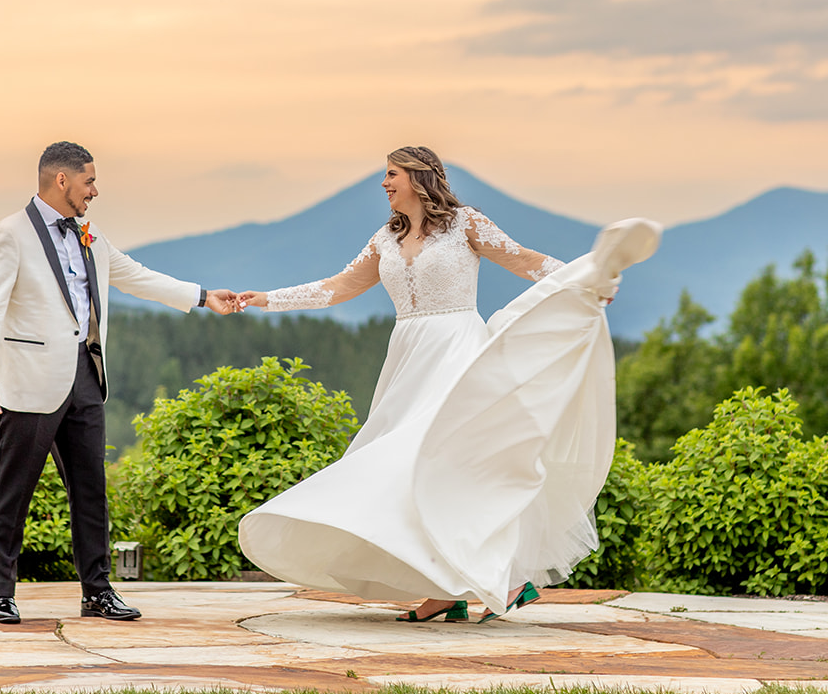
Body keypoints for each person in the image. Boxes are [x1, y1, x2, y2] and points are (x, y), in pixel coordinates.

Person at [235, 146, 659, 622]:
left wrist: (583, 282)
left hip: (458, 347)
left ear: (418, 177)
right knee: (406, 465)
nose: (384, 183)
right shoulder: (385, 238)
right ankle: (446, 587)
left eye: (391, 174)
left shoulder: (465, 224)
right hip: (408, 357)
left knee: (436, 457)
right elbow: (338, 287)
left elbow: (523, 260)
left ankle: (498, 576)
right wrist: (265, 299)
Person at [0, 141, 237, 624]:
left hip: (86, 380)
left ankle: (97, 592)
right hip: (29, 383)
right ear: (62, 181)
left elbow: (136, 276)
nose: (96, 191)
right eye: (89, 181)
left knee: (92, 492)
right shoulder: (9, 235)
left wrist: (201, 296)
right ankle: (1, 594)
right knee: (13, 491)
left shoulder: (90, 235)